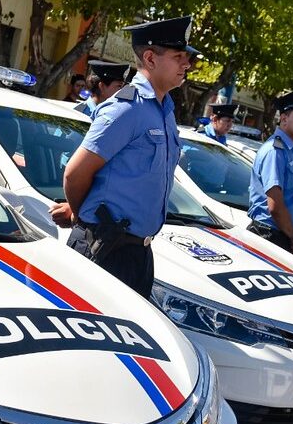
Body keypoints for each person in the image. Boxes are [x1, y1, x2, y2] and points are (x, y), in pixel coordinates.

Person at [49, 16, 191, 297]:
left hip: (138, 252)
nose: (187, 65)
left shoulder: (164, 111)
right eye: (178, 57)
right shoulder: (127, 108)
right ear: (150, 58)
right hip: (104, 248)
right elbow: (75, 173)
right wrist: (81, 215)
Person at [246, 89, 293, 253]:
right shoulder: (274, 151)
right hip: (268, 235)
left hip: (283, 234)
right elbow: (275, 205)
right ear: (284, 119)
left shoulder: (291, 150)